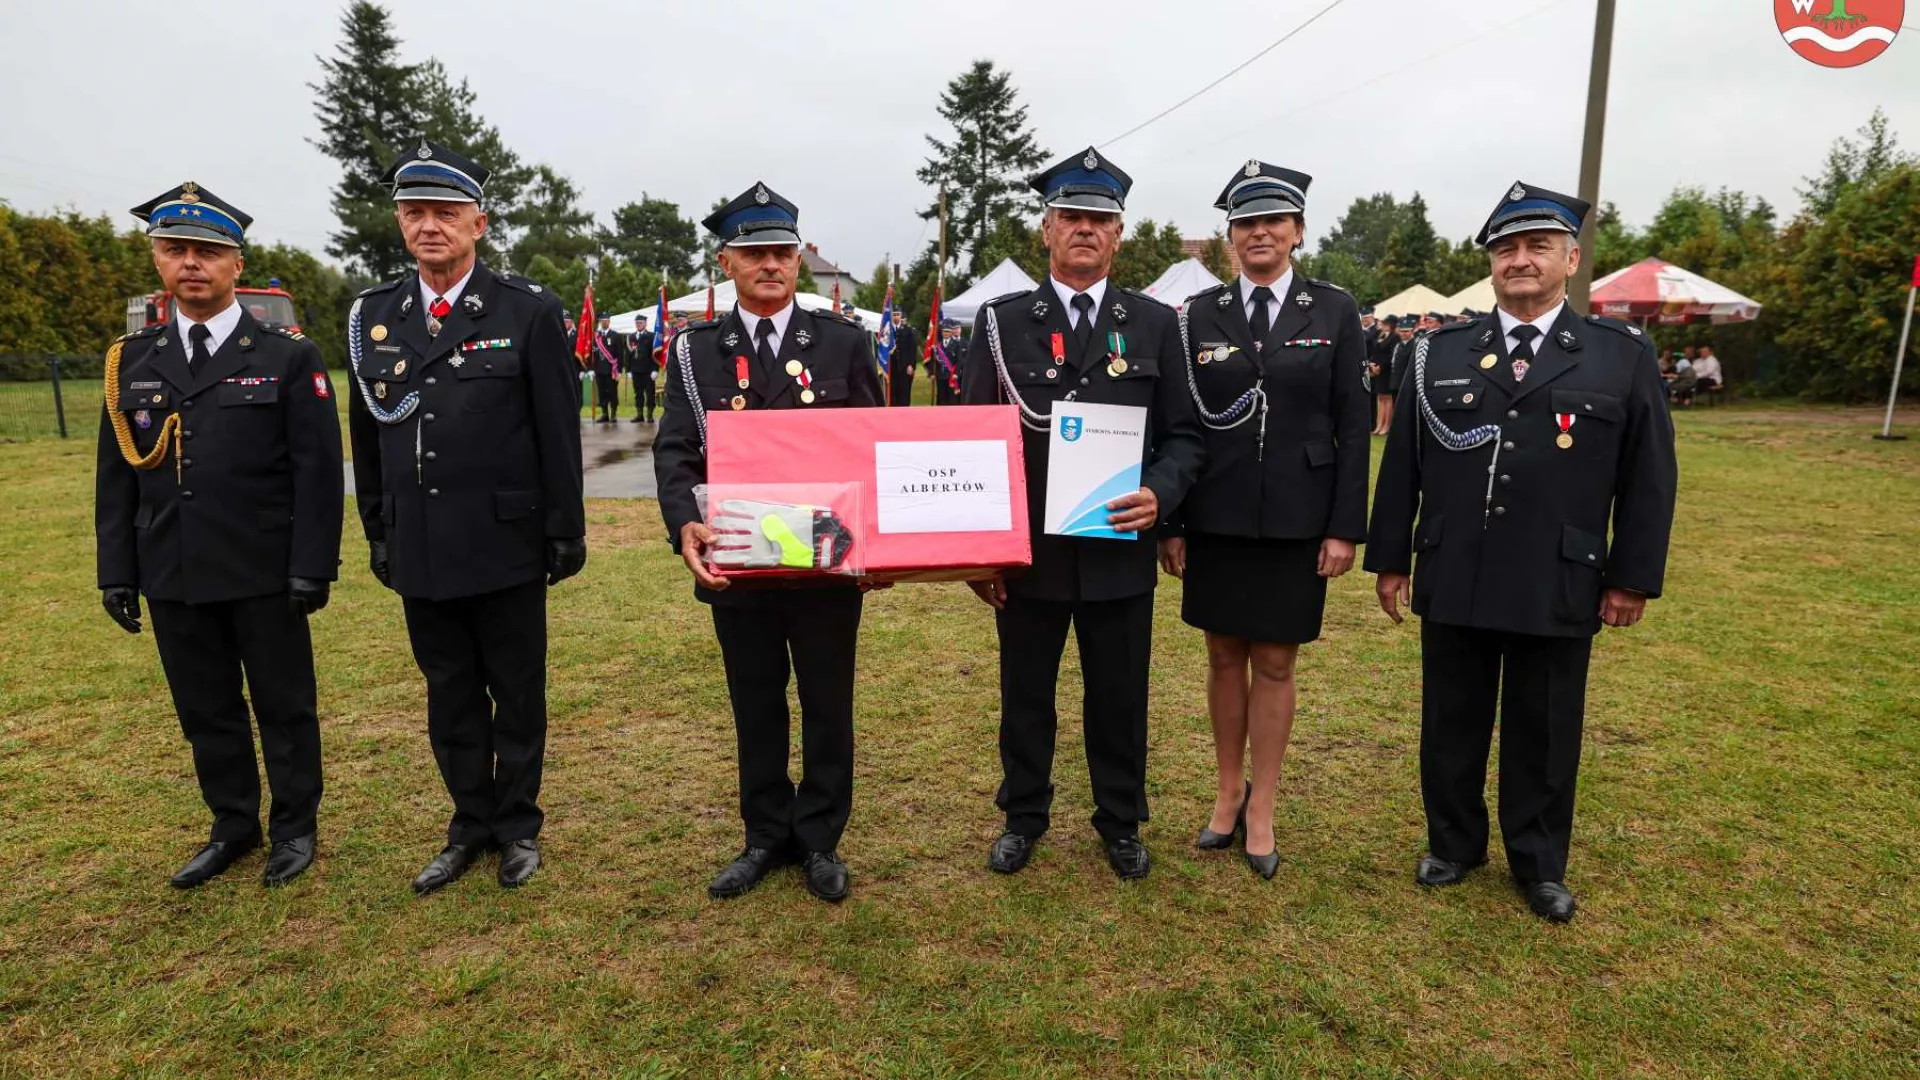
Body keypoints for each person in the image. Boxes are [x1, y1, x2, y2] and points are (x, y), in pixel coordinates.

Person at [1365, 180, 1677, 923]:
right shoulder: (1436, 352)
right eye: (1506, 248)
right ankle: (1454, 843)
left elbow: (1649, 478)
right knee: (1451, 716)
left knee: (1544, 724)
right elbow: (1402, 463)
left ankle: (1538, 862)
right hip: (1457, 565)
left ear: (1572, 258)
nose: (1521, 260)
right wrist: (1392, 558)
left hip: (1557, 574)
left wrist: (1631, 576)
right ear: (1491, 266)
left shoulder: (1618, 355)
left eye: (1538, 246)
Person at [346, 140, 586, 895]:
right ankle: (468, 825)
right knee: (448, 692)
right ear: (399, 222)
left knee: (516, 692)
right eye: (414, 213)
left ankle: (517, 827)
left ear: (479, 221)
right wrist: (378, 530)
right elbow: (367, 435)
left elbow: (557, 431)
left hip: (507, 539)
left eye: (446, 213)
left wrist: (564, 529)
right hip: (420, 542)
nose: (430, 226)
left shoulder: (528, 310)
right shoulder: (372, 318)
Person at [961, 147, 1205, 880]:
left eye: (1100, 220)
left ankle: (1120, 820)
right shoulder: (1001, 324)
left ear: (1120, 234)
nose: (1085, 231)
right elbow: (975, 438)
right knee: (1026, 694)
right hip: (1028, 551)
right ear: (1046, 229)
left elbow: (1187, 436)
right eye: (1072, 217)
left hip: (1117, 547)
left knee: (1120, 696)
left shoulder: (1157, 324)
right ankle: (1023, 815)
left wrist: (1161, 495)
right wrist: (981, 550)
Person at [95, 183, 344, 890]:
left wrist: (312, 567)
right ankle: (233, 823)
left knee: (283, 705)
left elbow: (317, 473)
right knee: (205, 709)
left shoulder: (287, 355)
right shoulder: (132, 361)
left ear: (238, 264)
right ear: (157, 261)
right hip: (171, 565)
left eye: (208, 252)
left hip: (263, 566)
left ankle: (295, 826)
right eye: (176, 251)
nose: (191, 265)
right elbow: (115, 478)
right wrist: (117, 570)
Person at [653, 182, 885, 903]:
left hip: (824, 562)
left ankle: (818, 839)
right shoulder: (696, 354)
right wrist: (682, 523)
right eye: (755, 253)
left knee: (826, 701)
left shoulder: (844, 344)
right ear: (727, 262)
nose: (771, 265)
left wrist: (874, 544)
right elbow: (675, 453)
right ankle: (763, 835)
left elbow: (871, 449)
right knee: (754, 702)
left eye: (782, 252)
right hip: (740, 563)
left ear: (797, 259)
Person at [1158, 161, 1370, 879]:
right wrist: (1174, 520)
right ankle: (1225, 796)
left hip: (1298, 516)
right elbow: (1180, 424)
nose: (1260, 233)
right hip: (1216, 513)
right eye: (1246, 223)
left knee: (1275, 661)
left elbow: (1353, 422)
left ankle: (1264, 807)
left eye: (1273, 221)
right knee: (1222, 653)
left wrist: (1345, 527)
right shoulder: (1198, 316)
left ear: (1298, 232)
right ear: (1229, 238)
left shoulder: (1335, 311)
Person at [591, 314, 623, 423]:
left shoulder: (615, 336)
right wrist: (592, 369)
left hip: (611, 370)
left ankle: (613, 413)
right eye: (602, 320)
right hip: (599, 370)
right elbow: (593, 354)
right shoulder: (596, 336)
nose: (605, 322)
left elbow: (620, 354)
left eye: (606, 320)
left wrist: (619, 370)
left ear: (609, 321)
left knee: (612, 392)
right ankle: (605, 413)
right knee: (602, 392)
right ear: (600, 321)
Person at [927, 320, 963, 405]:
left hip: (952, 376)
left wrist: (956, 373)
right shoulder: (937, 346)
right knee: (941, 397)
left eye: (948, 332)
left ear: (951, 333)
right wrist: (932, 373)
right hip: (940, 376)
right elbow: (933, 361)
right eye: (944, 331)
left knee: (952, 398)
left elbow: (959, 360)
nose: (946, 333)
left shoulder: (956, 344)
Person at [630, 314, 658, 423]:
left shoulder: (651, 336)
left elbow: (655, 354)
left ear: (645, 323)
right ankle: (639, 415)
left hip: (648, 371)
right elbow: (628, 355)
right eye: (637, 323)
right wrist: (628, 369)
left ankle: (650, 415)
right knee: (638, 394)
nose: (639, 325)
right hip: (636, 370)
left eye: (641, 323)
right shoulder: (631, 336)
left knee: (650, 393)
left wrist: (655, 369)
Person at [887, 308, 918, 406]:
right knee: (893, 392)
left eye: (897, 314)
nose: (896, 317)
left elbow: (912, 349)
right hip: (891, 366)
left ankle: (904, 414)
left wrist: (911, 365)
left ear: (901, 316)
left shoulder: (908, 330)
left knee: (904, 392)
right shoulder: (887, 331)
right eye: (894, 314)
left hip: (904, 366)